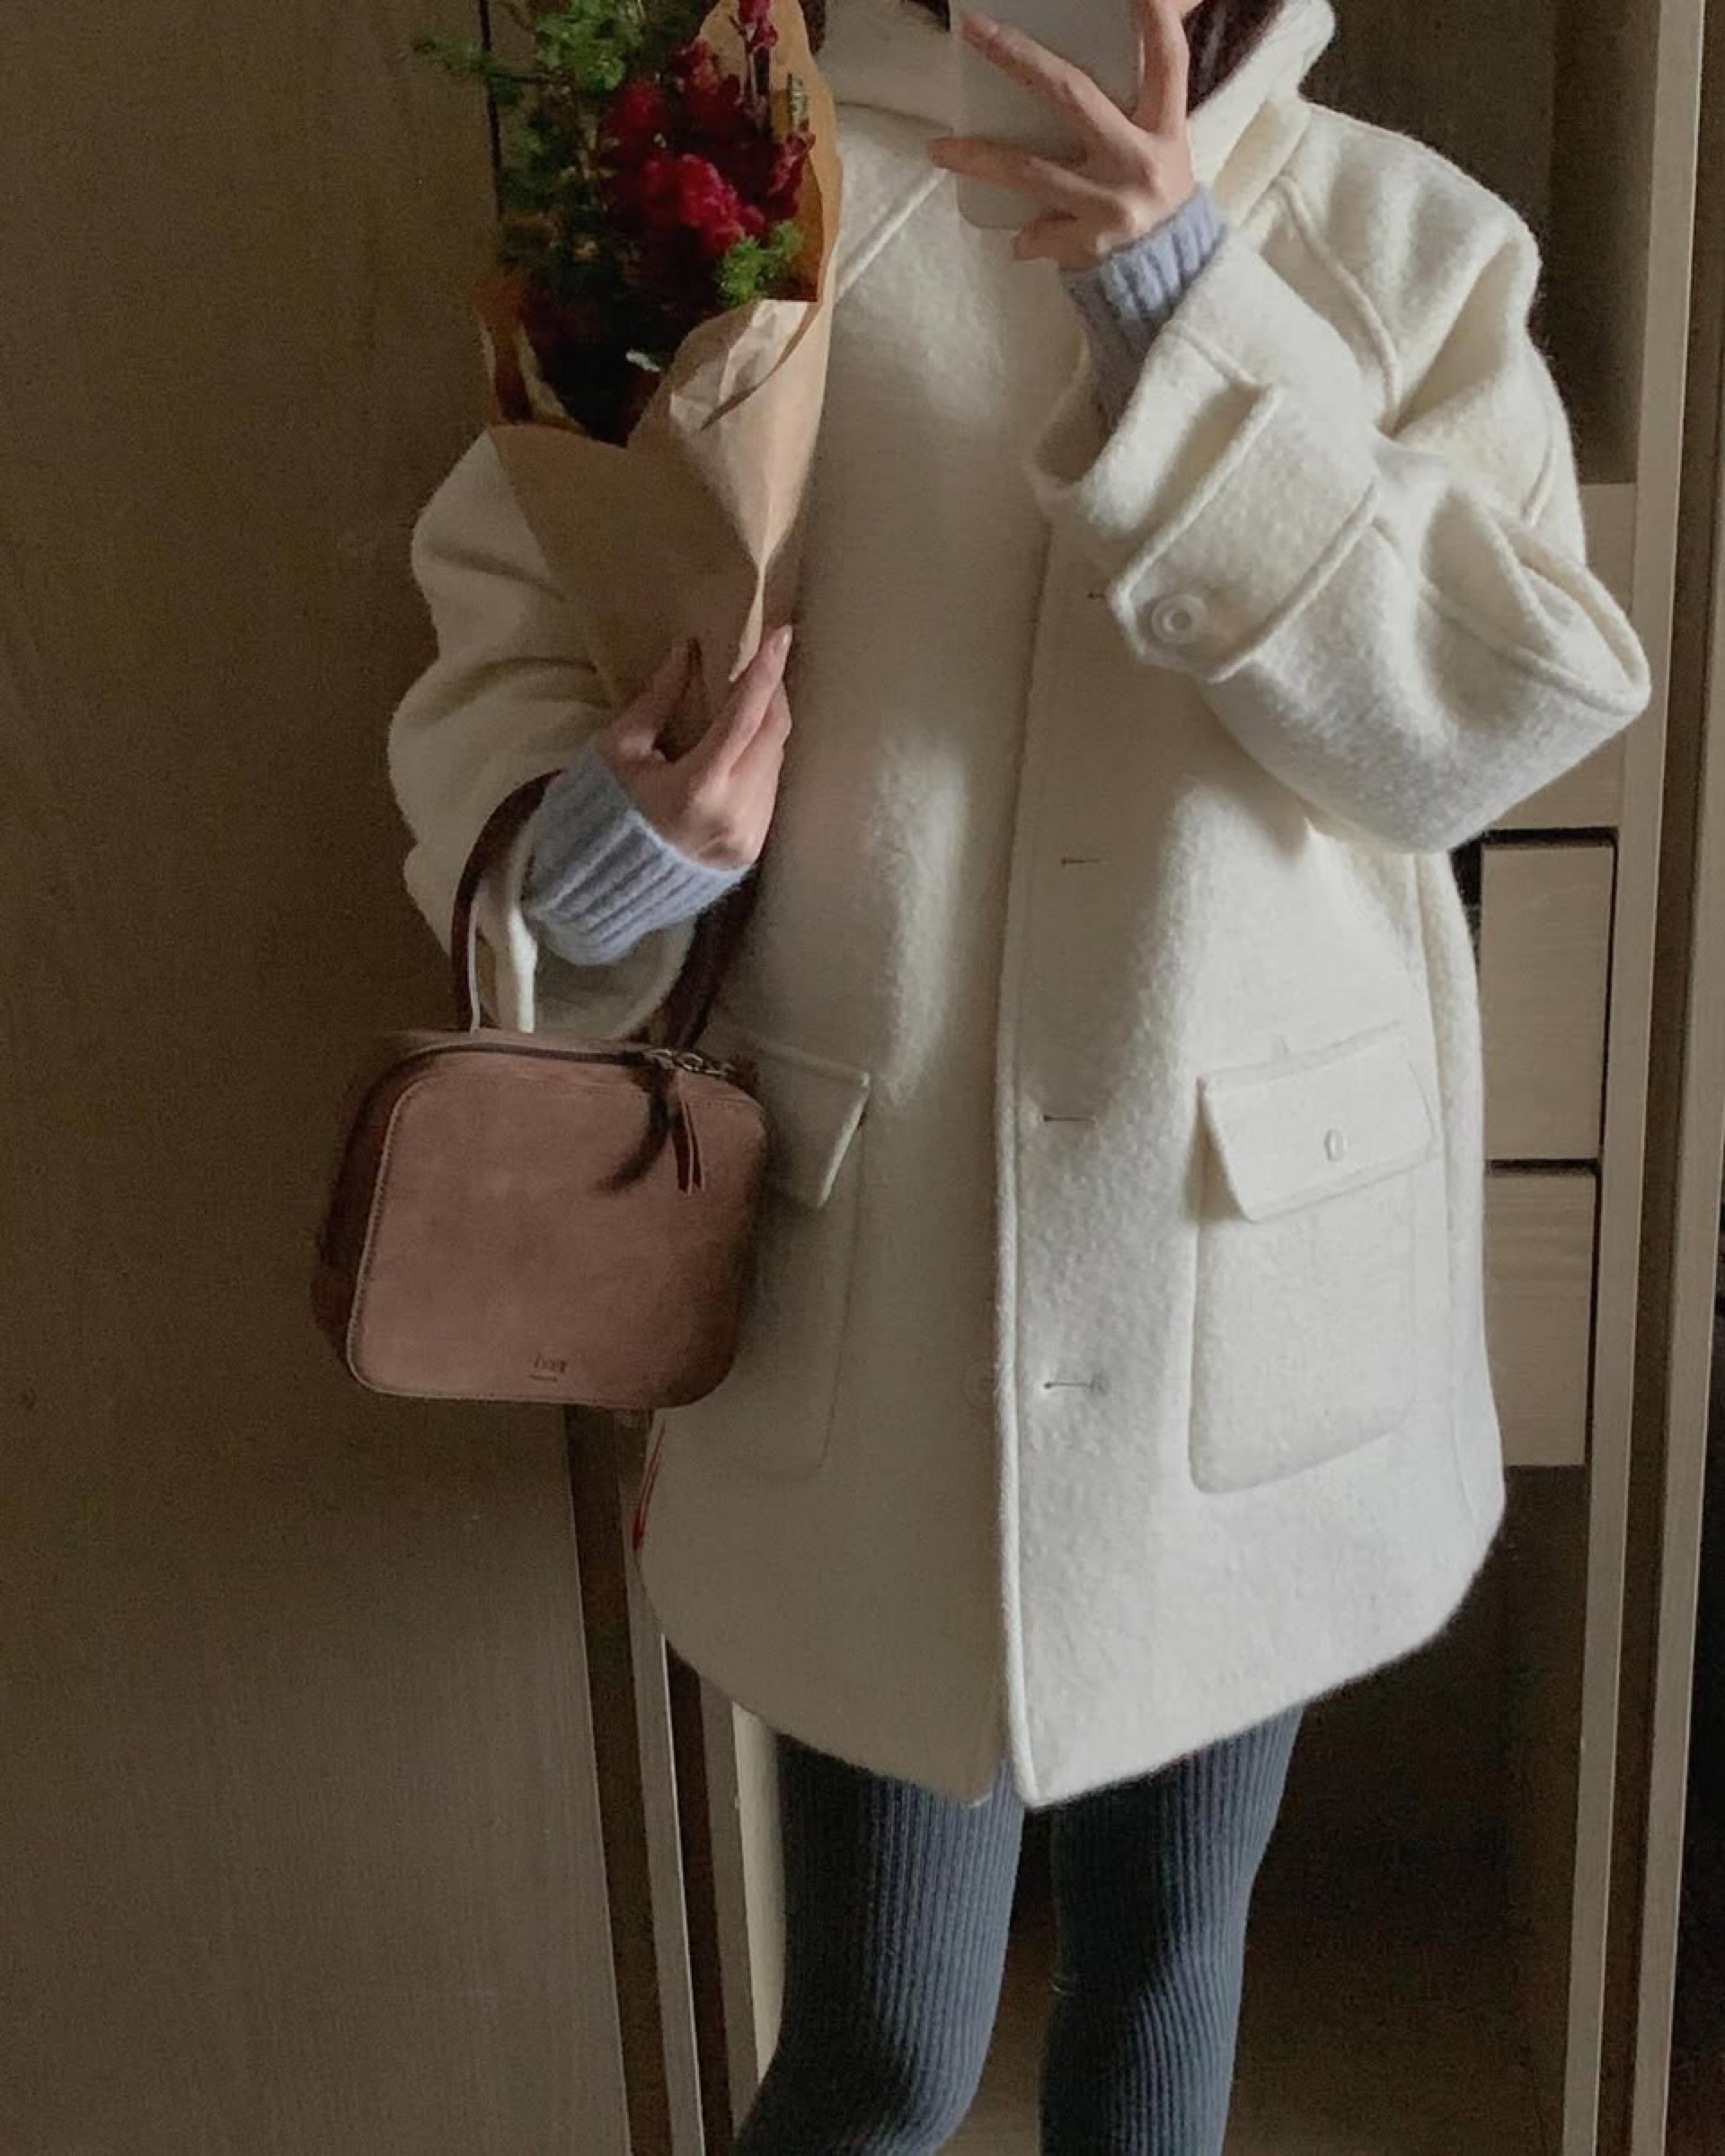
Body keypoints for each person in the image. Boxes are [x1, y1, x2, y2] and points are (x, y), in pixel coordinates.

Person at [386, 0, 1652, 2145]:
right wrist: (602, 857)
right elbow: (524, 620)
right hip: (874, 1307)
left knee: (1170, 1972)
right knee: (879, 2045)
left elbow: (1495, 714)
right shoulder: (745, 222)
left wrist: (1192, 325)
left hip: (1245, 1294)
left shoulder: (1394, 243)